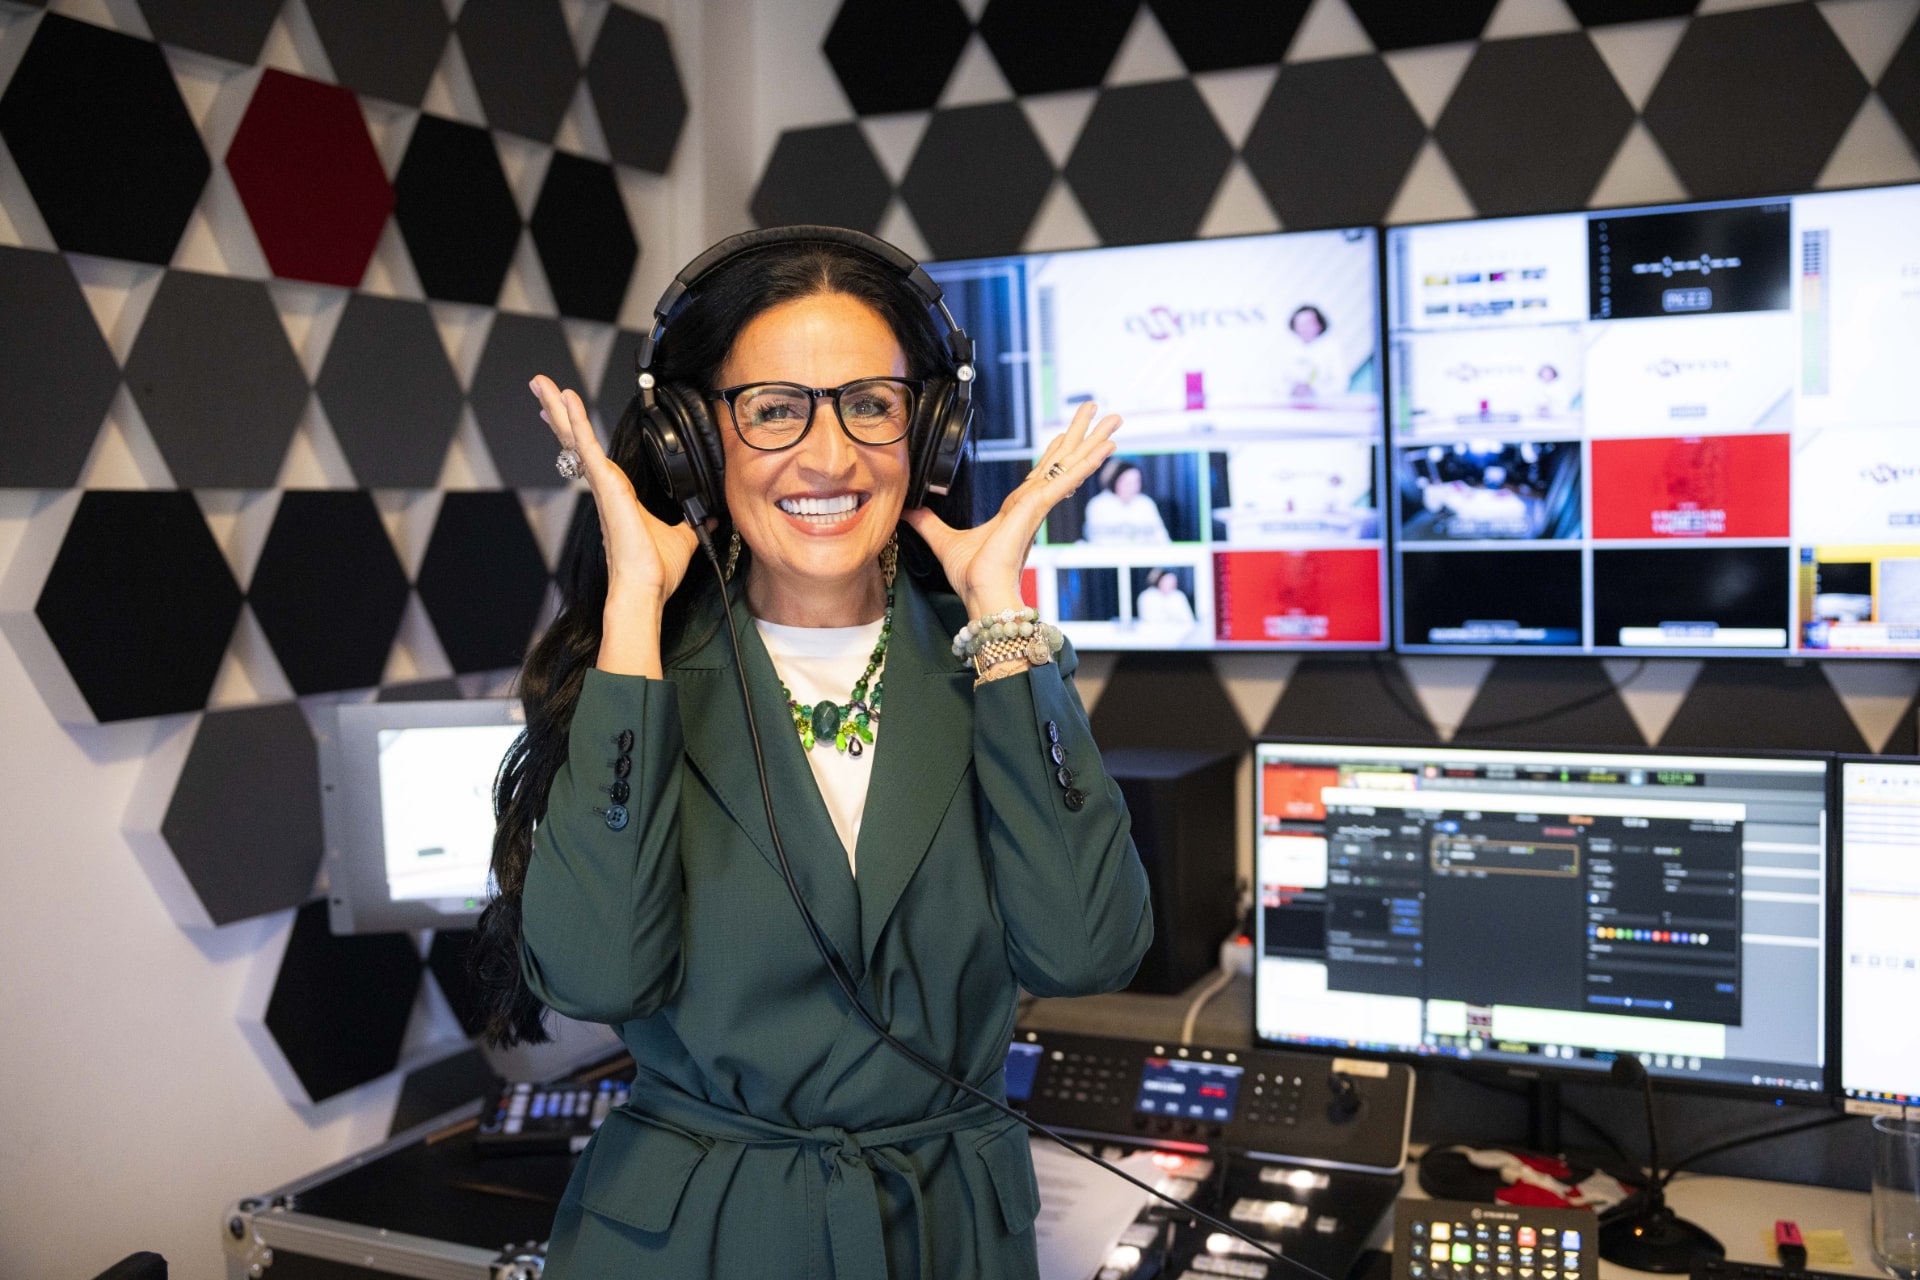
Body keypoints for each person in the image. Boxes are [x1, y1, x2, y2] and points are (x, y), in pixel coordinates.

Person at [474, 230, 1154, 1279]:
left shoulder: (992, 666)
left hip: (948, 1237)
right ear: (697, 438)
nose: (830, 457)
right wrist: (634, 611)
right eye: (773, 408)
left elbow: (1088, 954)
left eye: (871, 404)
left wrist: (1000, 613)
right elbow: (598, 972)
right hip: (696, 1244)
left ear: (930, 430)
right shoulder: (641, 674)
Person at [1080, 459, 1170, 544]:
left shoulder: (1146, 503)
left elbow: (1161, 537)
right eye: (1127, 482)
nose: (1133, 487)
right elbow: (1096, 539)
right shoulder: (1098, 505)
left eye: (1136, 482)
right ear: (1114, 481)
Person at [1278, 303, 1348, 400]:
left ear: (1319, 325)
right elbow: (1276, 383)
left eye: (1308, 323)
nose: (1304, 328)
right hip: (1292, 405)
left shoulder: (1332, 348)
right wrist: (1292, 390)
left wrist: (1314, 391)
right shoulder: (1286, 349)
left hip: (1324, 405)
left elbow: (1341, 383)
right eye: (1300, 324)